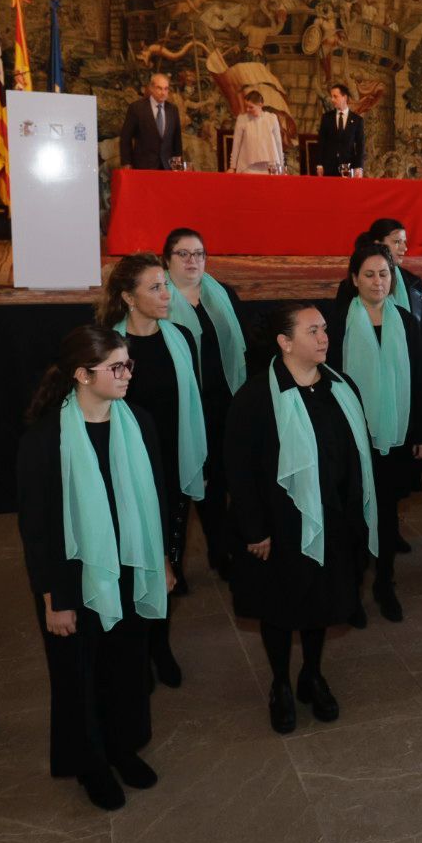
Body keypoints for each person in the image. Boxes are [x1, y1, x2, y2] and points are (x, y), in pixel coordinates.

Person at [17, 325, 173, 811]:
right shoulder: (46, 439)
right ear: (83, 376)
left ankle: (122, 748)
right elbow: (37, 528)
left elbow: (158, 499)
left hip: (130, 567)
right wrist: (54, 597)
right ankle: (90, 763)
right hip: (73, 577)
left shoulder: (139, 422)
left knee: (126, 665)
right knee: (78, 673)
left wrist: (162, 559)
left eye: (129, 364)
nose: (127, 374)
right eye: (116, 367)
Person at [224, 305, 378, 734]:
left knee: (322, 603)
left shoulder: (342, 388)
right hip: (280, 528)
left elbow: (355, 458)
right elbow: (238, 470)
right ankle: (280, 684)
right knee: (280, 606)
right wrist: (254, 529)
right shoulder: (255, 398)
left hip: (334, 521)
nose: (324, 337)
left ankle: (312, 674)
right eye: (313, 331)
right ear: (285, 342)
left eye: (325, 329)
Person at [96, 254, 208, 690]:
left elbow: (191, 406)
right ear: (128, 297)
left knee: (168, 561)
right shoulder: (108, 346)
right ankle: (134, 651)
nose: (166, 295)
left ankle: (159, 644)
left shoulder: (181, 336)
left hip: (172, 467)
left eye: (166, 285)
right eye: (155, 288)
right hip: (126, 471)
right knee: (129, 561)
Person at [326, 244, 422, 624]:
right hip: (351, 438)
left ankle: (385, 585)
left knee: (387, 516)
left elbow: (419, 378)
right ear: (354, 280)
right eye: (368, 275)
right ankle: (351, 591)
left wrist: (421, 430)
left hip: (396, 436)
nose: (377, 282)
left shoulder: (405, 319)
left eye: (384, 274)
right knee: (353, 516)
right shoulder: (335, 323)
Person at [161, 228, 247, 583]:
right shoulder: (158, 298)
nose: (192, 261)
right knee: (179, 488)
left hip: (223, 405)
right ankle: (172, 563)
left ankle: (221, 550)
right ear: (166, 261)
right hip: (177, 410)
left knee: (221, 482)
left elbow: (242, 348)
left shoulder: (222, 294)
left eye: (198, 253)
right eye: (183, 254)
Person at [334, 218, 422, 322]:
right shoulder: (349, 287)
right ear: (378, 244)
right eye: (397, 242)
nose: (404, 248)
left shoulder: (414, 283)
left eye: (404, 242)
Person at [118, 73, 184, 170]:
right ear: (151, 88)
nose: (163, 92)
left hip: (167, 167)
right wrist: (126, 163)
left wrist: (178, 166)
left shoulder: (173, 110)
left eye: (166, 89)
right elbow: (125, 138)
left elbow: (177, 139)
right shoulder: (137, 108)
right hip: (143, 167)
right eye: (159, 88)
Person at [227, 89, 285, 173]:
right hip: (247, 166)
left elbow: (278, 142)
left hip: (268, 166)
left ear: (260, 105)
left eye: (251, 107)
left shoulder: (271, 118)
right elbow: (236, 143)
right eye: (246, 106)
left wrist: (281, 166)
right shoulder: (242, 119)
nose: (247, 109)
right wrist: (233, 167)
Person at [314, 82, 365, 177]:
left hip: (349, 168)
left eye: (335, 96)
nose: (332, 99)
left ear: (344, 97)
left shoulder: (357, 120)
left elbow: (360, 146)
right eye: (331, 96)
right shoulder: (326, 118)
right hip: (328, 167)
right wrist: (319, 164)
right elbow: (321, 142)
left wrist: (359, 167)